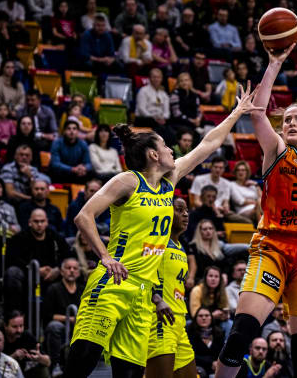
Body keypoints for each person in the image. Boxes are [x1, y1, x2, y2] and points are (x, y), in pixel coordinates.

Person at [65, 85, 263, 377]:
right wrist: (105, 257)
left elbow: (208, 144)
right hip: (114, 284)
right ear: (153, 155)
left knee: (130, 373)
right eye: (166, 147)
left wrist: (236, 113)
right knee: (83, 359)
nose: (172, 150)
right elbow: (83, 216)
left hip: (144, 295)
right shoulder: (128, 181)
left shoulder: (169, 181)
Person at [215, 33, 297, 378]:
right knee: (241, 335)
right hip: (272, 246)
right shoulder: (276, 152)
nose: (291, 123)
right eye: (287, 120)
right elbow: (257, 115)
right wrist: (275, 63)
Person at [146, 197, 198, 378]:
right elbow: (140, 274)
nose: (185, 214)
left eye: (186, 210)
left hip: (179, 322)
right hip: (160, 320)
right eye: (179, 209)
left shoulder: (181, 246)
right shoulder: (156, 241)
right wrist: (156, 299)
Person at [4, 209, 71, 313]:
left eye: (42, 221)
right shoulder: (19, 238)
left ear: (47, 222)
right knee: (12, 273)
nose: (39, 224)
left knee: (73, 269)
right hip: (27, 276)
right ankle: (15, 315)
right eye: (36, 221)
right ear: (29, 222)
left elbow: (68, 255)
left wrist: (58, 269)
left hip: (52, 275)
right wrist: (35, 270)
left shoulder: (55, 237)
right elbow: (11, 259)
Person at [42, 258, 83, 374]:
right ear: (61, 271)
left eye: (75, 268)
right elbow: (48, 315)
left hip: (79, 326)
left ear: (79, 272)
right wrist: (70, 319)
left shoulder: (83, 289)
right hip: (61, 327)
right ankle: (56, 365)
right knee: (54, 326)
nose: (72, 271)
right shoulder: (53, 289)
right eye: (68, 268)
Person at [2, 311, 51, 378]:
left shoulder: (26, 336)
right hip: (4, 374)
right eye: (14, 327)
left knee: (43, 368)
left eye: (21, 326)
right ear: (5, 326)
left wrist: (39, 358)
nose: (19, 330)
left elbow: (48, 362)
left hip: (22, 373)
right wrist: (13, 357)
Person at [188, 266, 233, 337]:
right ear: (205, 278)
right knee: (188, 323)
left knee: (229, 324)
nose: (213, 279)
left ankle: (226, 344)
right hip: (200, 321)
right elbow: (194, 314)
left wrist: (225, 315)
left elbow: (226, 309)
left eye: (216, 276)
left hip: (217, 322)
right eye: (210, 276)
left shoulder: (223, 291)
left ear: (220, 279)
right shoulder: (197, 290)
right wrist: (212, 315)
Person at [188, 307, 225, 377]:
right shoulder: (190, 333)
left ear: (211, 318)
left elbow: (222, 352)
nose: (204, 318)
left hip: (217, 366)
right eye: (200, 316)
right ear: (196, 318)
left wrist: (218, 363)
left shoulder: (219, 333)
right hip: (199, 367)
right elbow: (192, 355)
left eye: (207, 315)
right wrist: (211, 362)